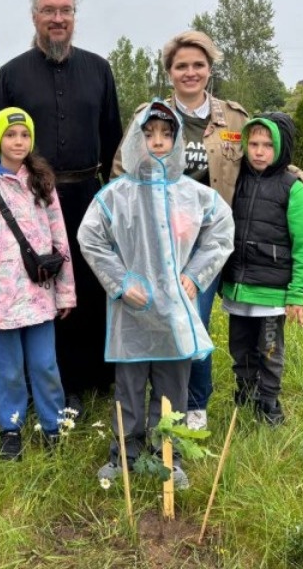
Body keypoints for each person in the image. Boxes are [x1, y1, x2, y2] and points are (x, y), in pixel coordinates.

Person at [112, 30, 303, 432]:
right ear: (169, 72)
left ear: (210, 69)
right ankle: (154, 400)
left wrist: (298, 174)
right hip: (159, 243)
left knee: (194, 320)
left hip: (209, 244)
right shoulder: (151, 116)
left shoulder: (232, 118)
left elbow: (261, 154)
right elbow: (123, 171)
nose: (190, 73)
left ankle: (194, 404)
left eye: (199, 65)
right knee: (160, 320)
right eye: (181, 66)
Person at [78, 100, 234, 487]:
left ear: (177, 141)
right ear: (136, 140)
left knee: (172, 388)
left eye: (166, 134)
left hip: (175, 312)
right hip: (132, 313)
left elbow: (221, 231)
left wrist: (196, 274)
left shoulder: (191, 194)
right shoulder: (117, 195)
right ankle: (124, 455)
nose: (158, 142)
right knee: (129, 388)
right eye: (149, 135)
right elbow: (90, 238)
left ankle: (168, 455)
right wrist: (120, 282)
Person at [0, 0, 122, 414]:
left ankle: (89, 375)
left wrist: (114, 197)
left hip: (87, 196)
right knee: (39, 285)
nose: (58, 18)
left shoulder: (99, 70)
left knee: (85, 284)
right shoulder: (12, 74)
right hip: (32, 199)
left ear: (75, 17)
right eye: (49, 11)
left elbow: (113, 139)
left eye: (66, 10)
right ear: (35, 17)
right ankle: (44, 377)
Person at [0, 107, 76, 460]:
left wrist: (66, 291)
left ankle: (52, 425)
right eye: (10, 135)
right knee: (8, 370)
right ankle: (10, 427)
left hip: (39, 294)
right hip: (1, 296)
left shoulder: (43, 184)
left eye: (24, 135)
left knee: (44, 365)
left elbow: (60, 240)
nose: (18, 141)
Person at [221, 113, 303, 425]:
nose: (259, 152)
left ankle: (269, 402)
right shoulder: (237, 180)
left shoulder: (292, 188)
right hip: (238, 287)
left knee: (270, 349)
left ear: (280, 148)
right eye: (253, 144)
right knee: (240, 347)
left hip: (272, 292)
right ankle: (245, 392)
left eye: (267, 145)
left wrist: (298, 293)